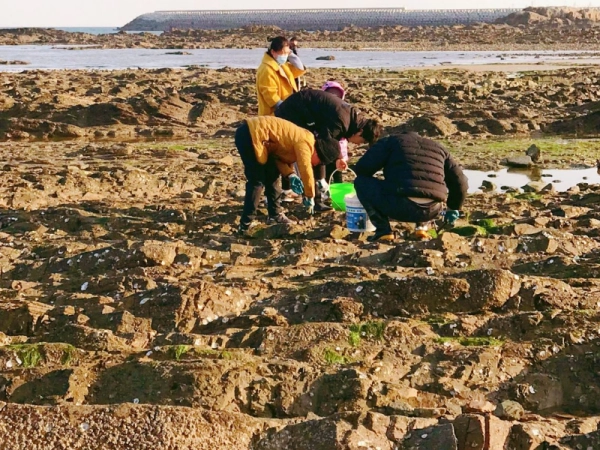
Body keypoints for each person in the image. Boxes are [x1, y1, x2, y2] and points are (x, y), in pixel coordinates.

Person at [275, 88, 382, 211]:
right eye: (362, 141)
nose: (358, 145)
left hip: (306, 114)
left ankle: (308, 196)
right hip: (292, 112)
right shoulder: (341, 122)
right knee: (303, 152)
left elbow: (330, 143)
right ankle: (312, 200)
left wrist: (339, 158)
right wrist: (321, 178)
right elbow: (322, 148)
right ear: (360, 132)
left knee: (314, 153)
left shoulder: (352, 119)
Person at [353, 132, 468, 242]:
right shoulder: (439, 148)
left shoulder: (390, 141)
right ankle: (421, 228)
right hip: (432, 210)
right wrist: (453, 208)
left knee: (361, 182)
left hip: (400, 206)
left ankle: (384, 231)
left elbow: (362, 169)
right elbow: (461, 182)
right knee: (424, 187)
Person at [235, 116, 341, 233]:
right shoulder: (306, 142)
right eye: (320, 162)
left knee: (273, 176)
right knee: (257, 181)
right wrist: (309, 195)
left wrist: (290, 174)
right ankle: (245, 224)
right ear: (318, 152)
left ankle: (275, 215)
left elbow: (279, 157)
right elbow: (305, 169)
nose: (316, 165)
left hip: (264, 141)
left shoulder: (303, 139)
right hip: (251, 134)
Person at [256, 36, 306, 117]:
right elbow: (271, 96)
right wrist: (286, 109)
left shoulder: (283, 65)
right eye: (283, 53)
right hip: (272, 115)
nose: (285, 56)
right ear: (273, 52)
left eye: (287, 53)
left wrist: (290, 53)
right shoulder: (266, 69)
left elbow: (299, 68)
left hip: (285, 109)